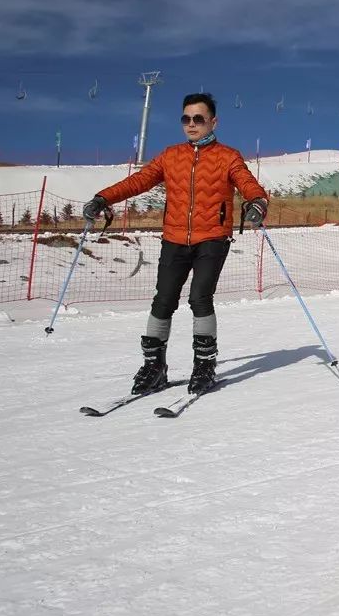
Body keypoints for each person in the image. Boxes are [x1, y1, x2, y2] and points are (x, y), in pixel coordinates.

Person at [83, 93, 269, 395]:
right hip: (174, 238)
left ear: (213, 121)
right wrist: (103, 198)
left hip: (212, 238)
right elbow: (138, 181)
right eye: (186, 118)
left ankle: (204, 366)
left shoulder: (228, 156)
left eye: (198, 118)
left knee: (199, 298)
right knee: (163, 300)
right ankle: (154, 367)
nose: (191, 124)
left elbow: (247, 183)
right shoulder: (171, 156)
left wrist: (257, 202)